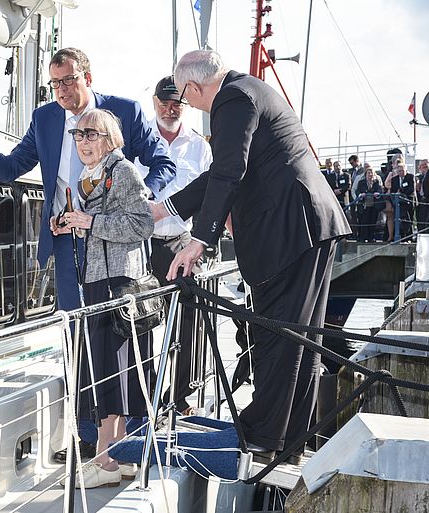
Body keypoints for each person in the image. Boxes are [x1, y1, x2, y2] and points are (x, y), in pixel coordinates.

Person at [0, 47, 175, 458]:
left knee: (117, 334)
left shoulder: (123, 110)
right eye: (55, 83)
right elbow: (10, 168)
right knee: (79, 336)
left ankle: (129, 432)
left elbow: (162, 163)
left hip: (114, 246)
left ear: (87, 77)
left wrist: (140, 202)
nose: (62, 90)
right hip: (66, 242)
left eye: (69, 80)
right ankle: (88, 435)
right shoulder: (45, 118)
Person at [150, 50, 350, 463]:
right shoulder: (248, 90)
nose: (192, 106)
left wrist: (198, 241)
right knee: (301, 339)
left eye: (187, 98)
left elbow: (229, 172)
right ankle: (291, 435)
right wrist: (166, 208)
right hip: (306, 227)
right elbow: (221, 173)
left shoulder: (233, 99)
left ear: (192, 87)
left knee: (280, 335)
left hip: (291, 230)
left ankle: (263, 433)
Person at [54, 109, 154, 488]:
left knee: (113, 367)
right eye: (77, 135)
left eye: (90, 134)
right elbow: (102, 229)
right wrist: (70, 225)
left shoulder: (122, 170)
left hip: (118, 284)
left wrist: (88, 223)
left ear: (109, 138)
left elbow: (142, 223)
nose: (82, 141)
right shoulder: (87, 177)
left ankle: (106, 459)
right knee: (109, 366)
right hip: (99, 280)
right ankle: (119, 456)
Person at [136, 75, 212, 414]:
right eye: (165, 101)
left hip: (182, 241)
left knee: (188, 322)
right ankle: (144, 393)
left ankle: (180, 396)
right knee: (140, 321)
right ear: (154, 102)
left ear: (185, 105)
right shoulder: (138, 142)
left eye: (177, 102)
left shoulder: (200, 147)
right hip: (142, 243)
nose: (171, 107)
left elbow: (212, 196)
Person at [355, 166, 383, 242]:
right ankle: (363, 237)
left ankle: (371, 237)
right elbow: (357, 191)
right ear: (366, 174)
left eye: (372, 173)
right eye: (369, 173)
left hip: (373, 205)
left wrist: (377, 194)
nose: (370, 174)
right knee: (364, 221)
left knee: (372, 221)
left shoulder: (376, 182)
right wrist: (361, 195)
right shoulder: (361, 182)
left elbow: (380, 190)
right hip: (364, 204)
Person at [390, 161, 415, 241]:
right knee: (400, 221)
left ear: (406, 170)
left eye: (402, 171)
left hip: (408, 202)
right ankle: (402, 237)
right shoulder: (394, 179)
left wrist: (402, 193)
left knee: (409, 220)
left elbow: (411, 189)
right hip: (399, 204)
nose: (401, 172)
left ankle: (409, 237)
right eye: (399, 171)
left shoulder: (410, 177)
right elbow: (392, 191)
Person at [415, 159, 429, 235]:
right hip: (421, 200)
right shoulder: (420, 176)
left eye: (425, 164)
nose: (424, 166)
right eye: (421, 165)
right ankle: (421, 234)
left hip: (427, 200)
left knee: (426, 220)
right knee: (421, 219)